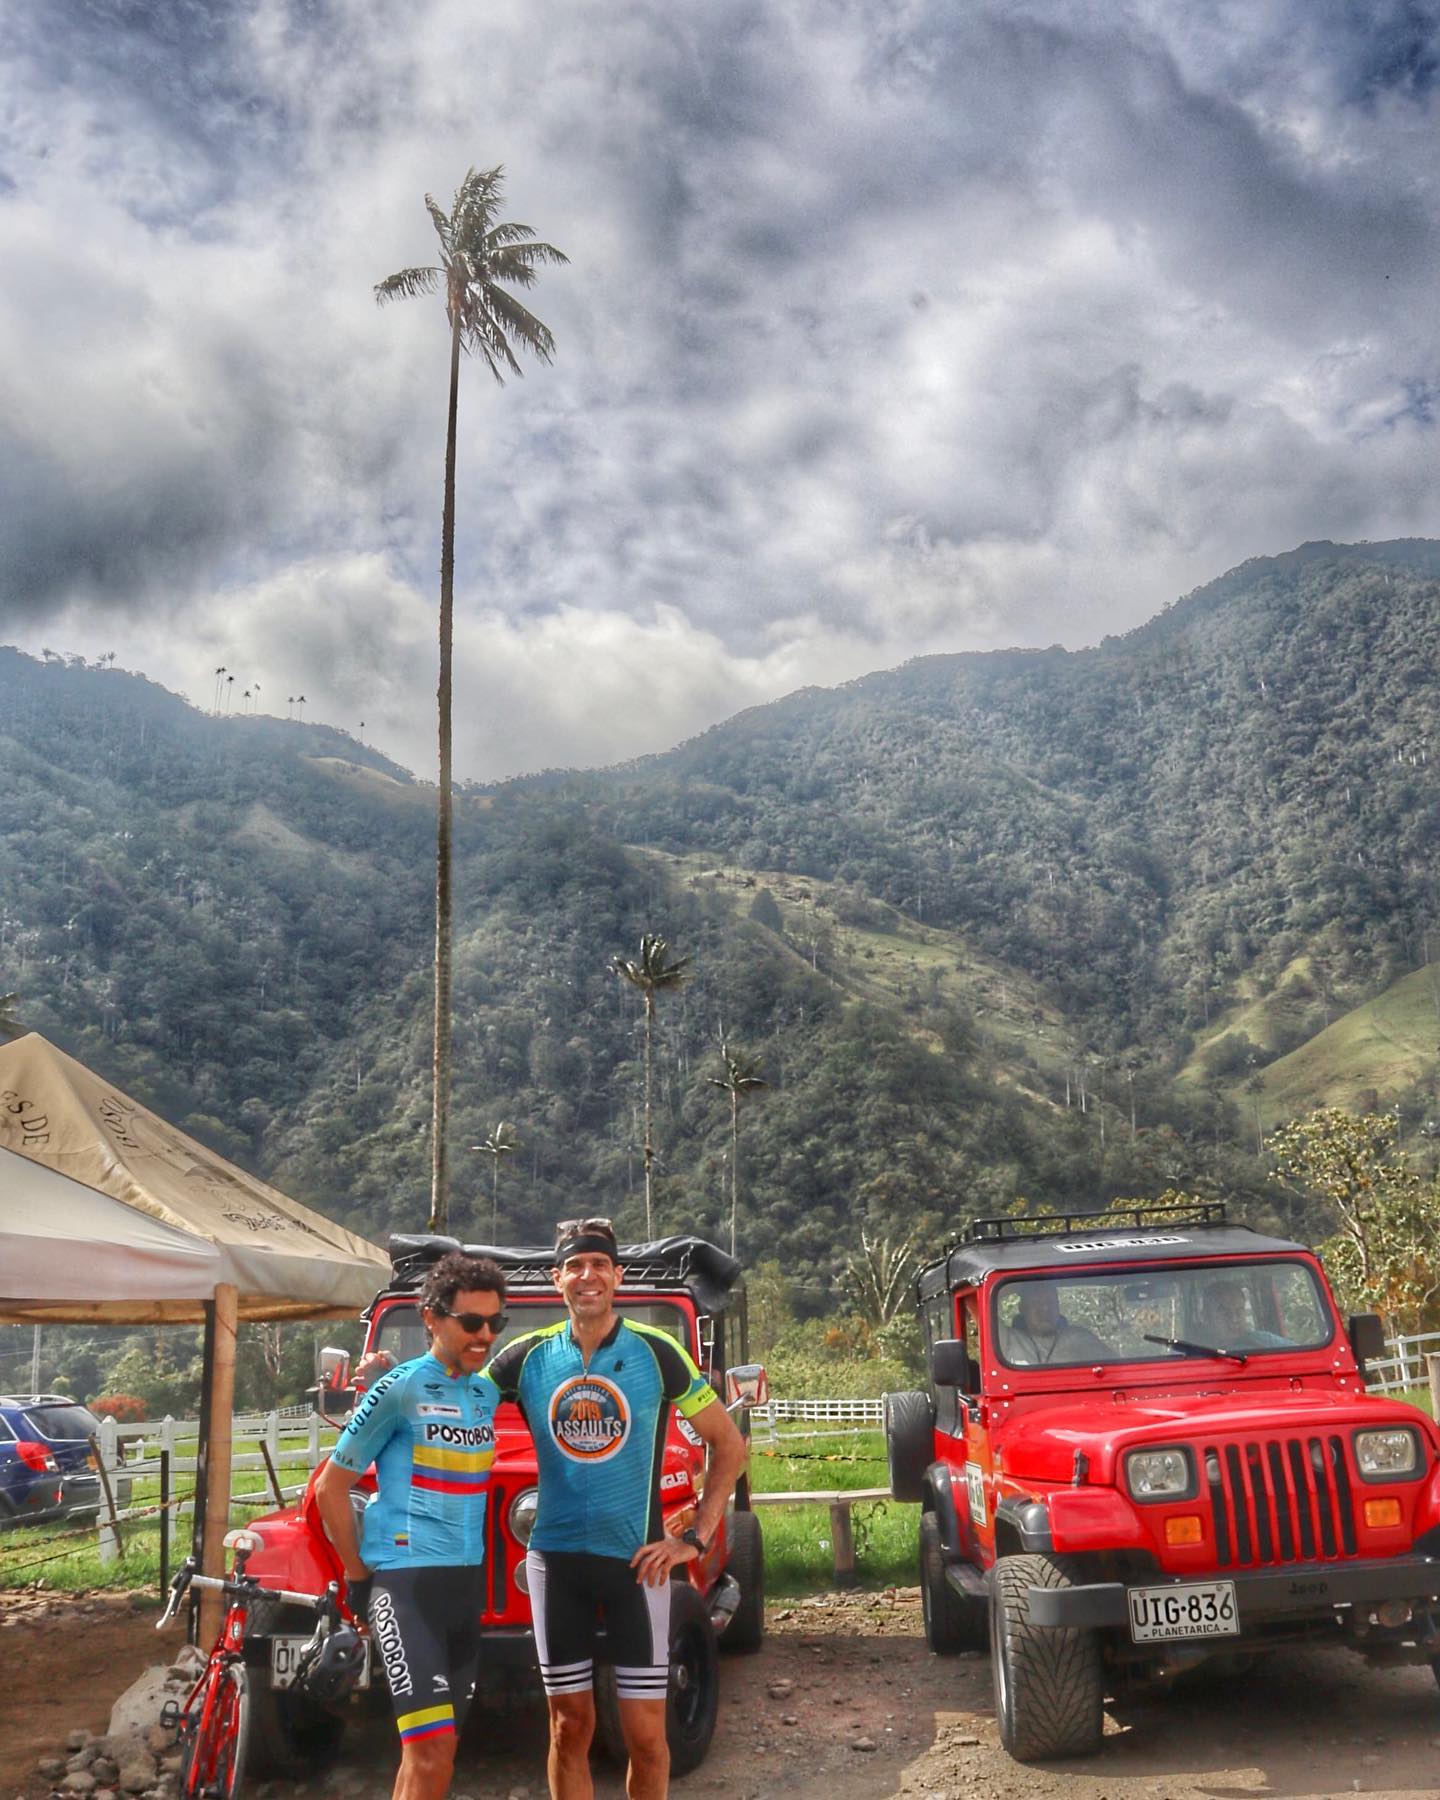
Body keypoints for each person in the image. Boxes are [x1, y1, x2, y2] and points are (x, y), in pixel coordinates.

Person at [482, 1217, 749, 1800]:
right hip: (556, 1565)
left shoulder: (657, 1351)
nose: (588, 1275)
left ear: (618, 1276)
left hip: (639, 1569)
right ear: (557, 1280)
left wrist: (696, 1538)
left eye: (599, 1264)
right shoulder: (525, 1357)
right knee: (568, 1728)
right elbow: (451, 1407)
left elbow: (728, 1444)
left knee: (648, 1738)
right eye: (575, 1265)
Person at [313, 1251, 507, 1800]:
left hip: (464, 1590)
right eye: (471, 1322)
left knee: (432, 1756)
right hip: (406, 1586)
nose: (484, 1335)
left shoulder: (484, 1393)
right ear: (431, 1318)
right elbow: (331, 1488)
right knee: (430, 1753)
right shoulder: (400, 1388)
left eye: (495, 1323)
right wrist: (357, 1576)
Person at [1000, 1281, 1112, 1365]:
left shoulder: (1080, 1338)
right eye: (1036, 1303)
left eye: (1050, 1302)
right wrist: (1019, 1281)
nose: (1045, 1309)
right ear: (1023, 1308)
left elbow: (1114, 1371)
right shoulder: (1007, 1339)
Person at [1201, 1279, 1290, 1350]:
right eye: (1225, 1313)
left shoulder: (1266, 1342)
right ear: (1206, 1317)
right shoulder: (1195, 1350)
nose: (1234, 1319)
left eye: (1239, 1311)